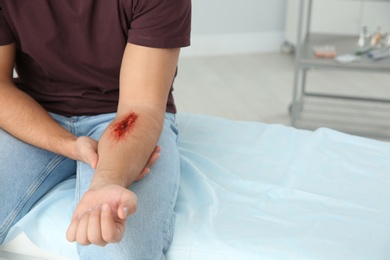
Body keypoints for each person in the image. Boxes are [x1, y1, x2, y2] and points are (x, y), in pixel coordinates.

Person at [0, 0, 191, 259]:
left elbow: (140, 107)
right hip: (35, 111)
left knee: (115, 244)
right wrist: (69, 145)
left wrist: (107, 182)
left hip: (125, 115)